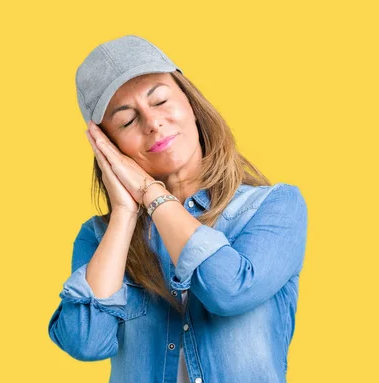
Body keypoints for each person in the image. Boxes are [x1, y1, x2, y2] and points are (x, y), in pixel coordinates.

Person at [47, 35, 308, 383]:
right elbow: (86, 341)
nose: (153, 123)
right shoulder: (99, 238)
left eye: (161, 100)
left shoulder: (272, 208)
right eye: (126, 122)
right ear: (109, 147)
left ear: (190, 100)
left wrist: (152, 195)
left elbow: (230, 291)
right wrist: (125, 214)